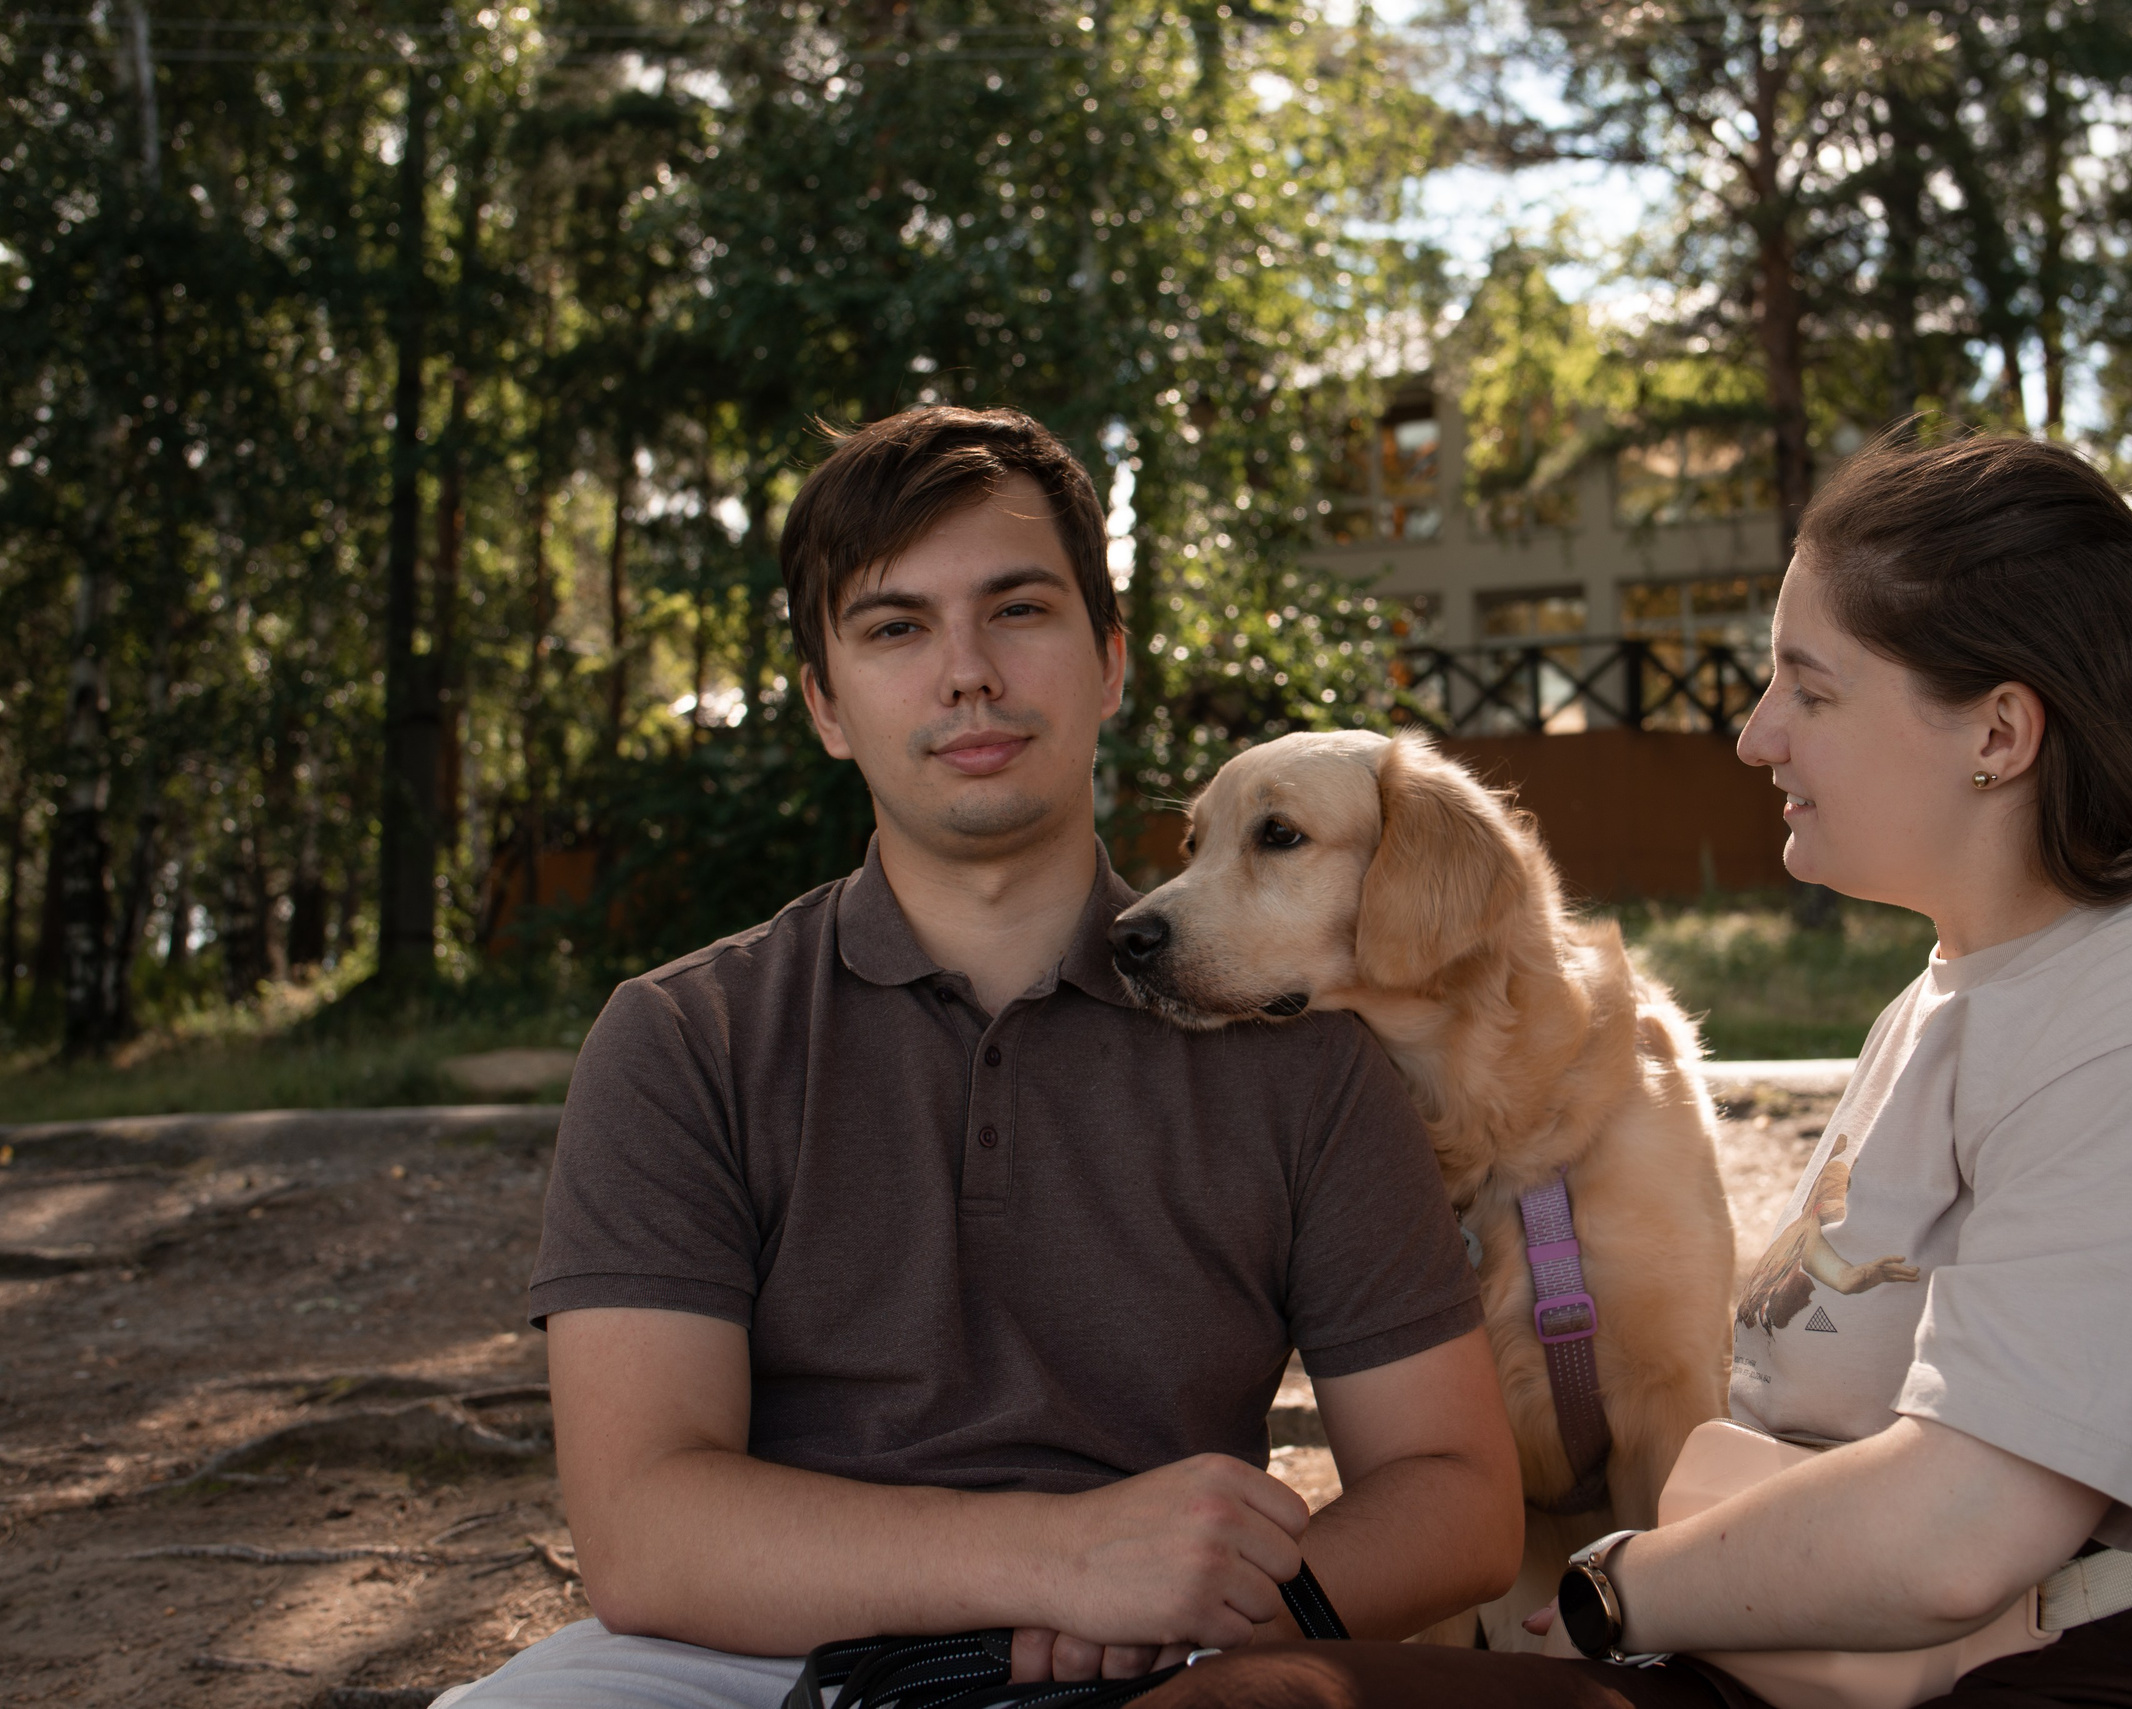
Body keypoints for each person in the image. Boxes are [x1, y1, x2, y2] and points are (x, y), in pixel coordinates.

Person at [1143, 433, 2132, 1709]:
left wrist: (1610, 1589)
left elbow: (1958, 1536)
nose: (1754, 735)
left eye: (1810, 686)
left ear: (1998, 732)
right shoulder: (1956, 994)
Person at [429, 406, 1522, 1709]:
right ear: (827, 705)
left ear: (1110, 660)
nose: (967, 674)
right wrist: (1061, 1562)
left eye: (1018, 610)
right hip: (739, 1662)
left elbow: (1456, 1493)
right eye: (896, 627)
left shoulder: (1302, 1054)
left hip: (1182, 1661)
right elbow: (644, 1531)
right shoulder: (682, 1039)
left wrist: (1207, 1619)